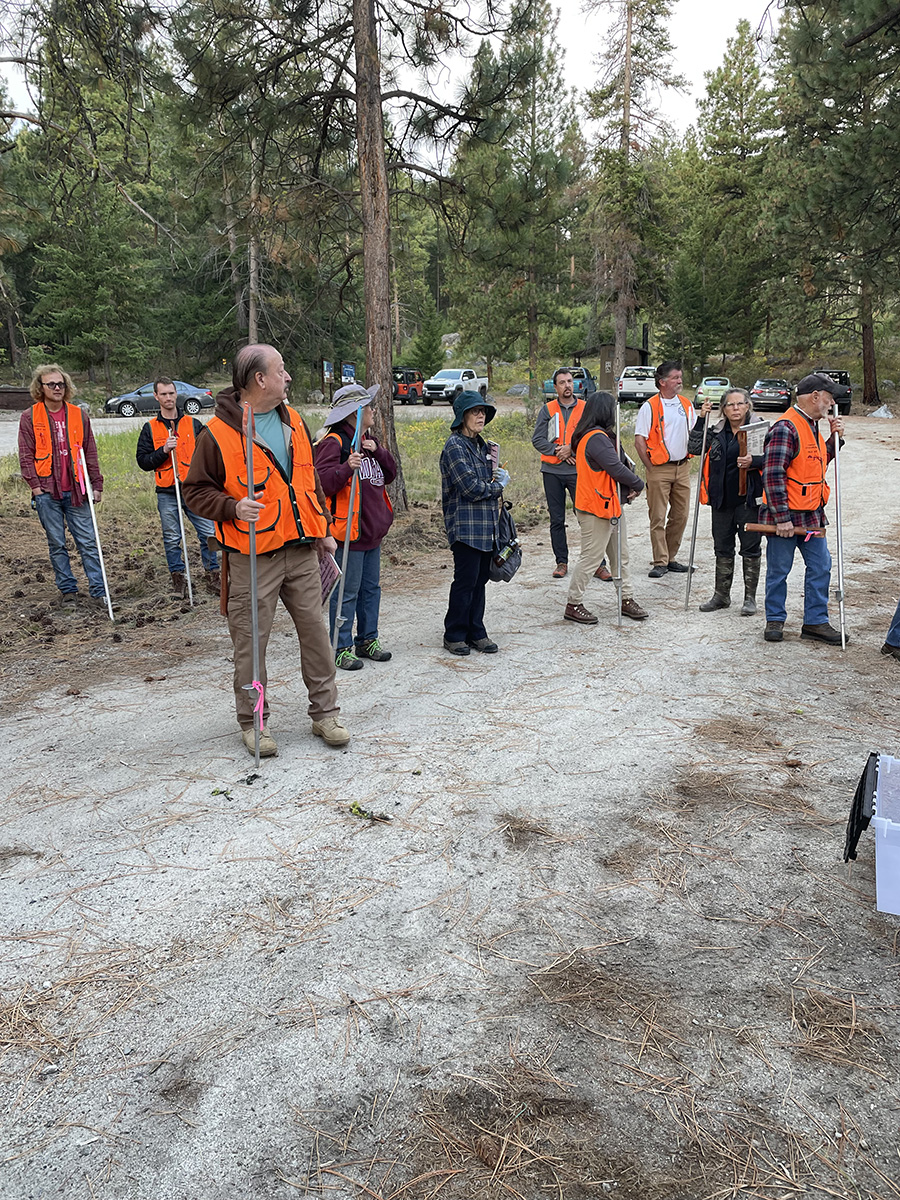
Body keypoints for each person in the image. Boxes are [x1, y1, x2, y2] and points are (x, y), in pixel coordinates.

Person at [182, 343, 349, 757]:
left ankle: (325, 714)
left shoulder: (294, 420)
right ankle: (254, 723)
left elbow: (309, 483)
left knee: (316, 635)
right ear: (259, 379)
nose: (287, 376)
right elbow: (194, 492)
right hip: (252, 558)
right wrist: (232, 507)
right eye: (280, 370)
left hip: (303, 550)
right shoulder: (217, 433)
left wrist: (324, 528)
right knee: (251, 644)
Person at [757, 373, 847, 644]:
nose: (832, 403)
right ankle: (775, 619)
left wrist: (834, 440)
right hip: (786, 516)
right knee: (779, 570)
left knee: (821, 566)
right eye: (829, 397)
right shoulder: (786, 427)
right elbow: (773, 474)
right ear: (815, 396)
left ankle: (815, 622)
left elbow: (816, 462)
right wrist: (782, 518)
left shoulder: (812, 425)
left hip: (811, 516)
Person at [314, 383, 396, 671]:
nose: (373, 410)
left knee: (371, 589)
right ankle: (340, 647)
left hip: (372, 532)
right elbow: (321, 484)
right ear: (355, 412)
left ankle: (367, 640)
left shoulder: (368, 441)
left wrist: (379, 451)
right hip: (348, 533)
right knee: (346, 592)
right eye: (368, 406)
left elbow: (390, 474)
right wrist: (346, 467)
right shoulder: (334, 442)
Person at [17, 363, 106, 609]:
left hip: (77, 490)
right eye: (51, 384)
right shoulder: (29, 417)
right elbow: (25, 456)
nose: (57, 388)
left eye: (61, 384)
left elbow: (90, 452)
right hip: (47, 492)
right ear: (40, 387)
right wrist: (36, 488)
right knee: (57, 544)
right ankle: (68, 591)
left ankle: (99, 592)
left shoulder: (79, 415)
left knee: (88, 542)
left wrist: (96, 484)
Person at [563, 392, 648, 625]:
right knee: (591, 558)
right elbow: (615, 468)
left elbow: (615, 469)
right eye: (612, 408)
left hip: (610, 505)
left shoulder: (598, 436)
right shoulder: (595, 438)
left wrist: (626, 489)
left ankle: (626, 598)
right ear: (605, 411)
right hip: (595, 507)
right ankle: (573, 603)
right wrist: (639, 484)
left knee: (621, 556)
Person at [135, 377, 220, 598]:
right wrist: (163, 451)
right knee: (172, 538)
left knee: (208, 533)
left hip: (194, 489)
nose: (168, 398)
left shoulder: (193, 424)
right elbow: (143, 461)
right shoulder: (150, 428)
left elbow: (209, 455)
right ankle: (179, 579)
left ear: (176, 394)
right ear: (156, 396)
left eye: (171, 393)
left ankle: (212, 576)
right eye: (163, 394)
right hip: (167, 491)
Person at [440, 390, 508, 655]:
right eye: (475, 412)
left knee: (480, 580)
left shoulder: (483, 446)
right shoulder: (454, 446)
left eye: (483, 412)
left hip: (486, 527)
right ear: (462, 416)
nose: (481, 416)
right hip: (465, 527)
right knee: (465, 581)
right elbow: (469, 487)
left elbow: (486, 482)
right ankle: (454, 633)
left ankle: (476, 631)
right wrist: (497, 487)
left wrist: (497, 478)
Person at [689, 387, 764, 616]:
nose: (735, 408)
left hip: (749, 500)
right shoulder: (716, 432)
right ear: (723, 409)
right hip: (721, 500)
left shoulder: (759, 430)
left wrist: (754, 461)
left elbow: (774, 458)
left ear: (748, 406)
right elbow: (694, 448)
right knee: (722, 547)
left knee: (750, 548)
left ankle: (749, 598)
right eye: (730, 405)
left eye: (740, 403)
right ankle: (721, 595)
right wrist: (702, 418)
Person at [532, 368, 609, 581]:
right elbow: (538, 439)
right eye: (562, 382)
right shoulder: (547, 410)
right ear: (555, 387)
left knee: (587, 518)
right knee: (557, 520)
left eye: (569, 381)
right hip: (552, 472)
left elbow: (594, 436)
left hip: (579, 472)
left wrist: (572, 450)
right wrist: (559, 451)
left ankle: (598, 563)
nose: (567, 385)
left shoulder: (586, 408)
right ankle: (561, 562)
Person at [634, 360, 698, 578]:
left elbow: (695, 434)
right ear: (662, 382)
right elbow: (639, 441)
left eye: (680, 377)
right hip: (659, 468)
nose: (680, 381)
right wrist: (650, 467)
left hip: (682, 467)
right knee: (658, 517)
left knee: (681, 515)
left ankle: (671, 558)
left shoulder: (686, 405)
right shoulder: (649, 407)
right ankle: (660, 561)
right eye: (675, 378)